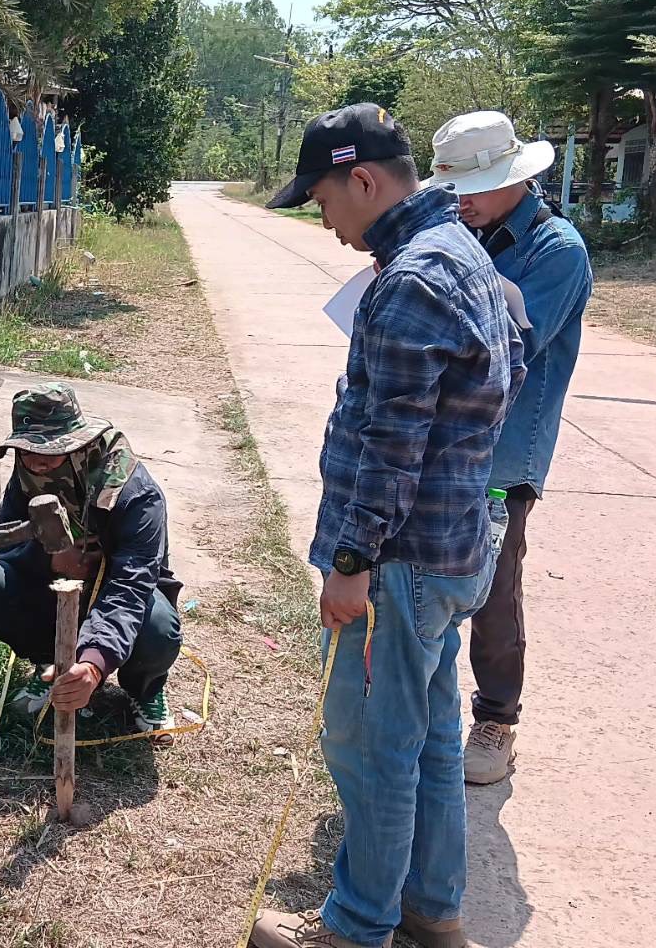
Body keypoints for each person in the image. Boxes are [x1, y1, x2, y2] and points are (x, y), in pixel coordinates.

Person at [249, 105, 523, 948]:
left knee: (371, 747)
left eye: (324, 200)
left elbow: (392, 444)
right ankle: (432, 910)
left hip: (398, 564)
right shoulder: (463, 254)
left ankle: (356, 926)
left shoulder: (412, 280)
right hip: (450, 550)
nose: (325, 222)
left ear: (363, 181)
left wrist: (351, 561)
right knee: (431, 741)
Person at [426, 110, 593, 785]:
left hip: (503, 451)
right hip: (437, 438)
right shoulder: (457, 232)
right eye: (454, 189)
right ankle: (420, 705)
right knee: (420, 578)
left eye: (473, 188)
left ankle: (497, 717)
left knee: (494, 587)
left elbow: (512, 345)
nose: (461, 201)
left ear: (514, 179)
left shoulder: (556, 250)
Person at [0, 383, 183, 739]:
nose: (37, 462)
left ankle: (145, 689)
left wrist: (94, 666)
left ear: (80, 445)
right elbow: (5, 535)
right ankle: (51, 665)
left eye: (50, 452)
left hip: (119, 591)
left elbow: (131, 586)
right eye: (27, 450)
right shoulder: (29, 473)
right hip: (57, 588)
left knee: (158, 627)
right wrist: (49, 560)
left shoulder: (135, 493)